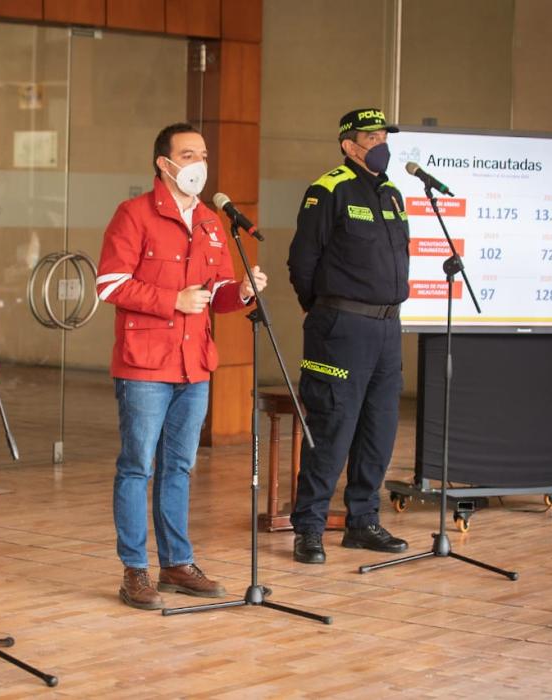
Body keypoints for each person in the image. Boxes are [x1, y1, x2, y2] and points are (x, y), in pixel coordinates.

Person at [97, 123, 268, 609]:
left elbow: (216, 294)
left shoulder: (214, 222)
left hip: (195, 365)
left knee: (180, 466)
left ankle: (176, 563)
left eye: (203, 154)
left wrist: (244, 291)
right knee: (136, 467)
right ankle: (135, 570)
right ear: (164, 164)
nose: (199, 163)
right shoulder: (133, 215)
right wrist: (172, 299)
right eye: (188, 154)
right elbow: (109, 284)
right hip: (145, 365)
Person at [286, 108, 410, 564]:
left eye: (383, 135)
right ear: (348, 145)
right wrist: (321, 310)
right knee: (332, 429)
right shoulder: (329, 189)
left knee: (379, 430)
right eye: (372, 136)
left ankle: (362, 522)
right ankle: (310, 528)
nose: (381, 143)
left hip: (387, 328)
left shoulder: (392, 194)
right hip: (341, 327)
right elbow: (302, 263)